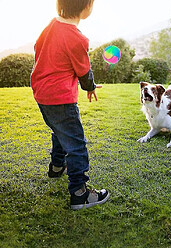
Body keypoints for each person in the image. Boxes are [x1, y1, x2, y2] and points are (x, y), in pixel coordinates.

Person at [30, 0, 110, 210]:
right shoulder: (77, 38)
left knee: (59, 131)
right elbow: (83, 70)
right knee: (76, 144)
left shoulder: (49, 27)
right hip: (60, 97)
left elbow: (38, 50)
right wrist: (90, 87)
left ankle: (57, 167)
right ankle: (79, 193)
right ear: (85, 7)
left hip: (42, 95)